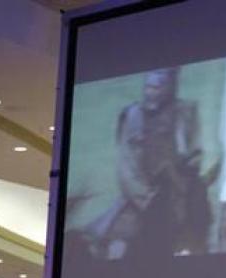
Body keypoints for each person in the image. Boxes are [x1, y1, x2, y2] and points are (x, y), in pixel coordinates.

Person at [81, 67, 211, 260]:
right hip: (140, 202)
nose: (155, 85)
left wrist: (179, 183)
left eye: (162, 80)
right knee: (116, 244)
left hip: (177, 196)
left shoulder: (186, 112)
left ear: (172, 82)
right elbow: (126, 168)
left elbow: (194, 156)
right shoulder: (132, 115)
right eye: (151, 82)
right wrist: (148, 199)